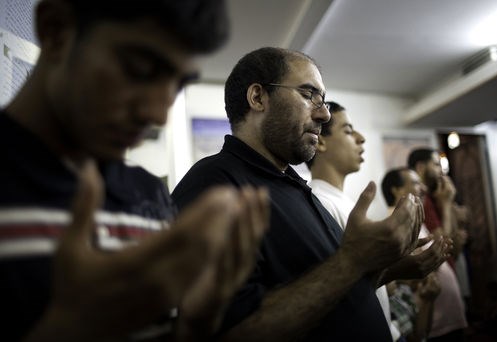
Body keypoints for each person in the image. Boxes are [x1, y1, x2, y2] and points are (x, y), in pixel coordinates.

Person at [0, 0, 270, 341]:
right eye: (139, 68)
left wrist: (198, 320)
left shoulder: (151, 194)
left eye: (178, 84)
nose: (159, 114)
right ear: (56, 31)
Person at [171, 46, 424, 341]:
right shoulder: (214, 186)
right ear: (258, 97)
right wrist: (353, 259)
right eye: (308, 95)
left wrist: (384, 265)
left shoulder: (292, 184)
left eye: (324, 100)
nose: (324, 114)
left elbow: (328, 287)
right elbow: (233, 330)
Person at [306, 102, 448, 341]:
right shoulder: (321, 202)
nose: (361, 138)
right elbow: (336, 290)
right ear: (320, 141)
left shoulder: (341, 200)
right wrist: (395, 269)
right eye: (349, 131)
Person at [407, 149, 468, 341]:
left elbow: (454, 249)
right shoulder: (420, 203)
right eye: (435, 164)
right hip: (435, 309)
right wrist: (447, 203)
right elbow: (444, 245)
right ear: (421, 167)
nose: (441, 170)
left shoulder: (435, 197)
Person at [381, 167, 444, 342]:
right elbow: (407, 275)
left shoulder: (413, 217)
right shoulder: (394, 224)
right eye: (415, 183)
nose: (422, 188)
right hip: (414, 313)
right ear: (396, 190)